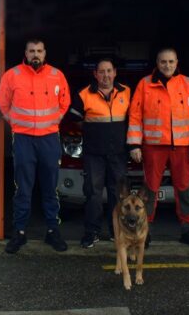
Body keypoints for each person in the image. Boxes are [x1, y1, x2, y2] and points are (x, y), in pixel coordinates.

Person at [127, 47, 189, 249]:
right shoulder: (145, 84)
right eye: (163, 62)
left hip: (182, 147)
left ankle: (187, 231)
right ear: (157, 62)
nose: (167, 65)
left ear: (177, 61)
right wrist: (135, 144)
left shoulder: (188, 84)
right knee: (150, 191)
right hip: (153, 147)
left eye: (171, 62)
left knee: (184, 190)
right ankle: (144, 233)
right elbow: (135, 116)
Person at [0, 39, 71, 254]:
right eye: (32, 51)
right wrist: (16, 123)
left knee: (50, 188)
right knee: (23, 188)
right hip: (23, 140)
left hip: (49, 139)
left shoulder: (57, 75)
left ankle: (52, 231)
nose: (35, 54)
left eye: (39, 51)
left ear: (45, 52)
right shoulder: (12, 75)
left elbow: (65, 102)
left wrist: (54, 120)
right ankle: (19, 232)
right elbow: (3, 104)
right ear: (26, 53)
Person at [68, 58, 131, 248]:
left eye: (109, 71)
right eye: (101, 72)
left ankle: (116, 232)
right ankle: (92, 232)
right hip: (94, 154)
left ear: (115, 72)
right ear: (95, 74)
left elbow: (133, 119)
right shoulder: (83, 94)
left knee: (118, 194)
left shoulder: (126, 92)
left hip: (118, 153)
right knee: (93, 194)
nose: (106, 75)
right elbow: (75, 120)